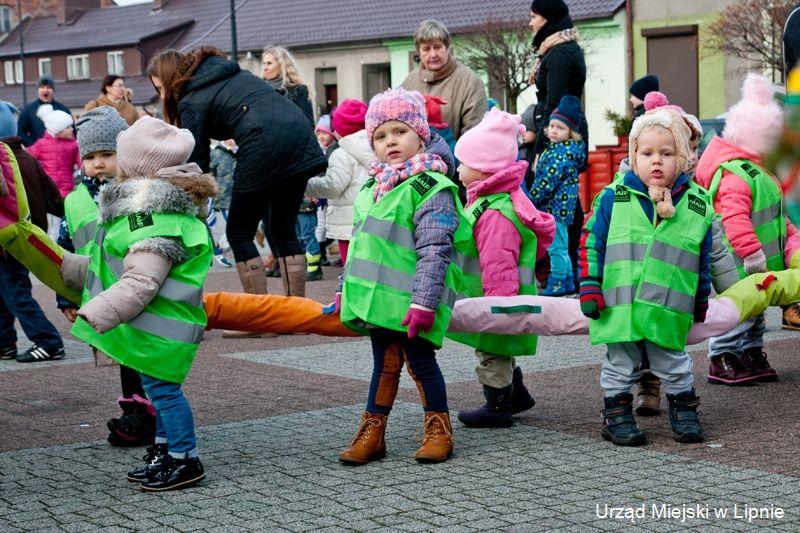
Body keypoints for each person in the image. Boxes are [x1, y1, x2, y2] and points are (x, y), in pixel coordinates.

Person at [60, 117, 217, 491]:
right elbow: (118, 263)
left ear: (137, 169)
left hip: (163, 326)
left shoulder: (154, 219)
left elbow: (142, 280)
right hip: (156, 326)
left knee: (165, 393)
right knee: (157, 391)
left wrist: (97, 310)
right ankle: (165, 450)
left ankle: (185, 458)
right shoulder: (152, 212)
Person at [337, 88, 461, 465]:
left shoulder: (431, 185)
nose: (390, 141)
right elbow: (358, 244)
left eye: (399, 131)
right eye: (380, 135)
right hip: (380, 302)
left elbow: (435, 248)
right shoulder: (374, 186)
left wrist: (424, 302)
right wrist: (345, 289)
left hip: (414, 301)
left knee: (422, 364)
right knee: (384, 365)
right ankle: (373, 433)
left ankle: (439, 428)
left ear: (420, 133)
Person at [147, 46, 327, 299]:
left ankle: (259, 318)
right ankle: (297, 312)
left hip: (262, 142)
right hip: (301, 140)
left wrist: (187, 198)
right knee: (283, 228)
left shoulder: (192, 98)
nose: (161, 94)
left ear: (168, 79)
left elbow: (196, 158)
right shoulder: (232, 74)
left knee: (239, 233)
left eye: (160, 88)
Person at [580, 108, 713, 446]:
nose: (657, 161)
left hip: (667, 307)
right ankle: (617, 415)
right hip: (619, 306)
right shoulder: (613, 197)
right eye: (647, 153)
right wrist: (590, 286)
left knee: (674, 363)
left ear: (681, 157)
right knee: (620, 363)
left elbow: (701, 259)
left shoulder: (697, 204)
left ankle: (684, 411)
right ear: (633, 156)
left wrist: (700, 299)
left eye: (666, 154)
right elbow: (591, 243)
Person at [56, 106, 158, 446]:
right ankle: (137, 413)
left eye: (107, 154)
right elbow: (66, 249)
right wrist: (66, 296)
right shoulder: (74, 200)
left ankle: (146, 417)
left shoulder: (137, 191)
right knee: (122, 354)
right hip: (100, 289)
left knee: (142, 354)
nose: (98, 163)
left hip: (135, 288)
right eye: (90, 156)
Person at [448, 108, 555, 428]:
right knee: (500, 349)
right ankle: (516, 393)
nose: (458, 167)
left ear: (483, 171)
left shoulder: (495, 212)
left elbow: (498, 262)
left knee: (491, 350)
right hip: (493, 295)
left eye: (464, 162)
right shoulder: (491, 201)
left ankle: (498, 406)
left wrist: (496, 305)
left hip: (495, 297)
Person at [695, 73, 800, 384]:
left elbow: (779, 220)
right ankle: (722, 355)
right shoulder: (738, 175)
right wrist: (751, 253)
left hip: (761, 266)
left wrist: (793, 244)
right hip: (739, 264)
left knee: (756, 315)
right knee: (736, 312)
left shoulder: (762, 174)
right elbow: (734, 218)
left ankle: (751, 351)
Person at [0, 101, 66, 363]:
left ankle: (48, 341)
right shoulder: (27, 158)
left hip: (8, 243)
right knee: (6, 294)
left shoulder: (6, 161)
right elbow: (53, 198)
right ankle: (5, 344)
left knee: (16, 296)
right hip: (27, 239)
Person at [528, 0, 588, 290]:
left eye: (534, 17)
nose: (531, 23)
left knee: (566, 210)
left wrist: (541, 146)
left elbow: (555, 102)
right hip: (560, 130)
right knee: (568, 203)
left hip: (561, 133)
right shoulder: (556, 50)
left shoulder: (561, 54)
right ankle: (573, 272)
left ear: (548, 18)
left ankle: (569, 274)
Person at [528, 95, 586, 296]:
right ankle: (568, 280)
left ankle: (557, 282)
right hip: (559, 207)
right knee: (560, 245)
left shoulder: (561, 154)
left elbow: (546, 183)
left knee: (556, 248)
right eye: (552, 126)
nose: (554, 130)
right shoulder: (557, 150)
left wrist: (532, 199)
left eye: (560, 128)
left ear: (571, 133)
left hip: (556, 208)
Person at [305, 99, 370, 267]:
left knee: (350, 270)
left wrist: (307, 185)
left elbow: (333, 186)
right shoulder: (376, 146)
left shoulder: (341, 154)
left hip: (347, 225)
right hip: (371, 222)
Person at [401, 20, 487, 140]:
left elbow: (475, 131)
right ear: (419, 52)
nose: (433, 54)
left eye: (437, 47)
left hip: (455, 157)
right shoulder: (409, 83)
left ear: (447, 47)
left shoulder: (469, 81)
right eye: (426, 49)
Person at [262, 45, 314, 123]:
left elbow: (309, 123)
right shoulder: (259, 89)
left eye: (269, 63)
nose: (265, 68)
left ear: (281, 65)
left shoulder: (298, 90)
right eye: (264, 63)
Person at [17, 77, 72, 147]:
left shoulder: (62, 109)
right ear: (38, 90)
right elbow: (21, 132)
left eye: (48, 87)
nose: (45, 90)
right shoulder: (28, 110)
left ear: (53, 90)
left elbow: (72, 131)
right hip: (37, 154)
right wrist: (34, 146)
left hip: (61, 152)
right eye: (42, 87)